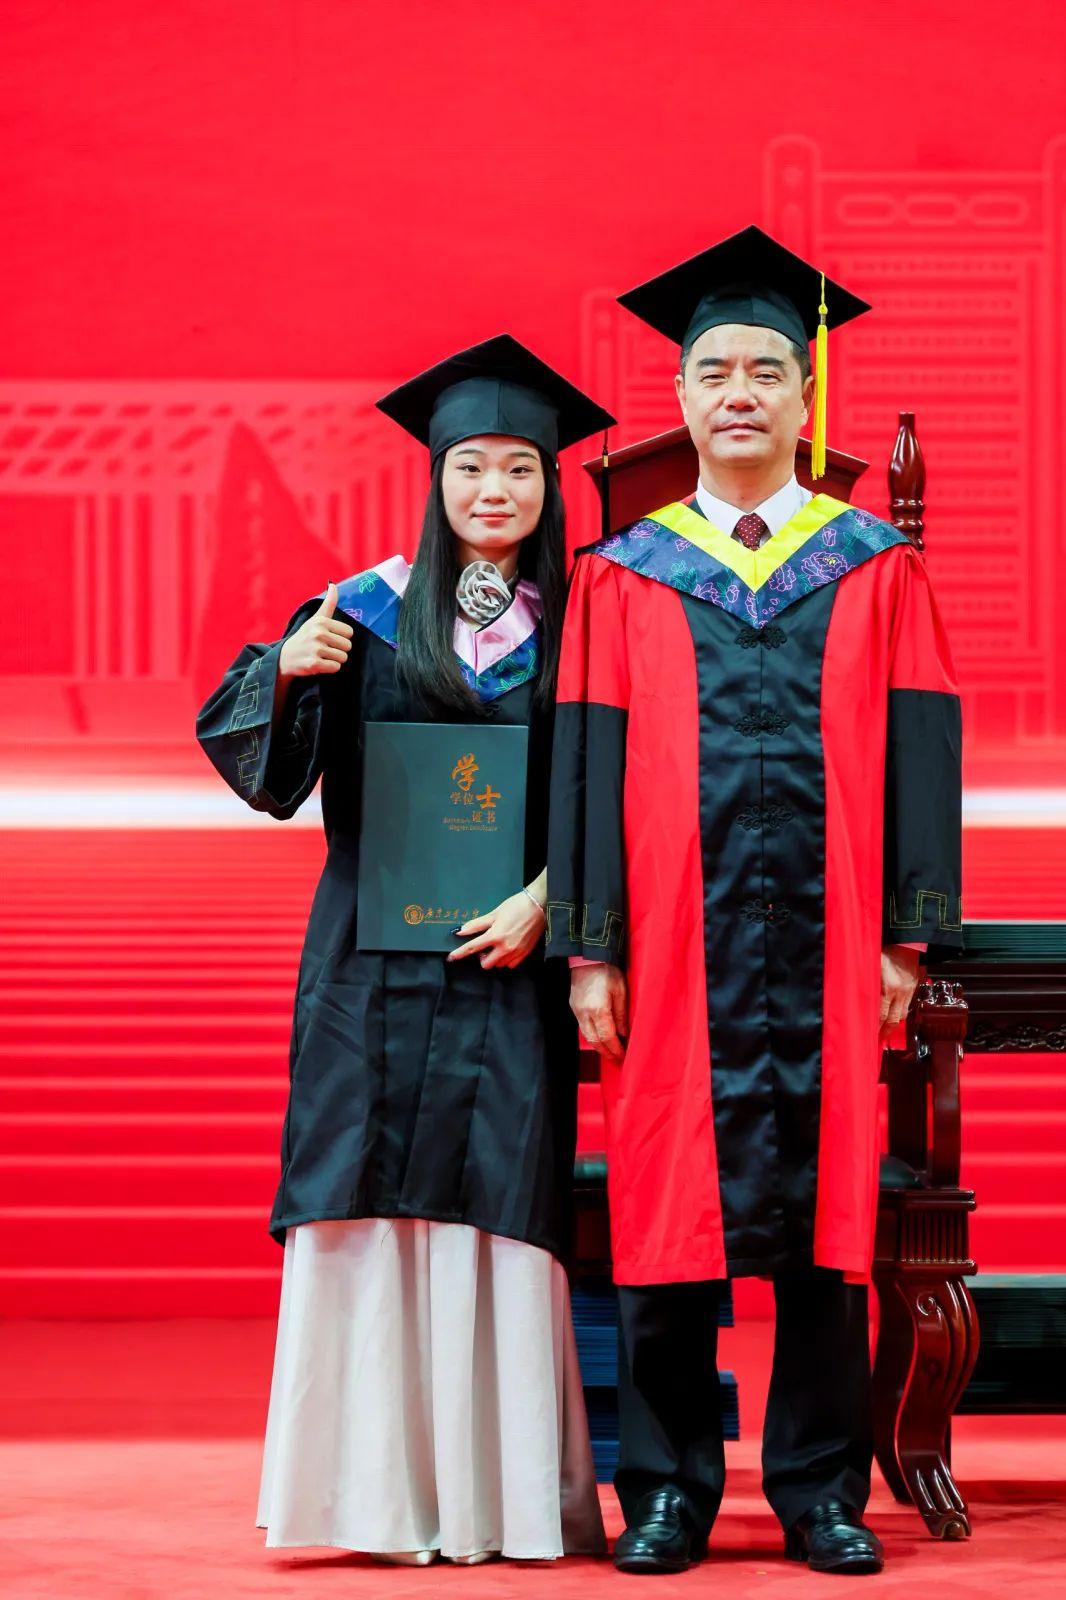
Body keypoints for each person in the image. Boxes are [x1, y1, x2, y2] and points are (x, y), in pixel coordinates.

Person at [545, 227, 963, 1577]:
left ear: (803, 395)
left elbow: (920, 750)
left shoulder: (870, 564)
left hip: (833, 942)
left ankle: (818, 1490)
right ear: (678, 395)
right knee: (667, 1208)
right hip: (671, 945)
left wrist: (907, 931)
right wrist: (589, 948)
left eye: (765, 370)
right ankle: (667, 1489)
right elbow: (586, 766)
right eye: (713, 370)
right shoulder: (622, 573)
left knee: (828, 1227)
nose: (738, 392)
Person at [196, 335, 614, 1565]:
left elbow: (614, 786)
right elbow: (270, 780)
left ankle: (497, 1501)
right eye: (470, 466)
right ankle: (368, 1500)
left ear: (549, 485)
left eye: (521, 468)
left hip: (505, 967)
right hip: (368, 968)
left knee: (499, 1207)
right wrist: (286, 672)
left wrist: (555, 898)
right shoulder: (360, 611)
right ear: (433, 477)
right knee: (365, 1196)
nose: (495, 490)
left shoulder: (586, 623)